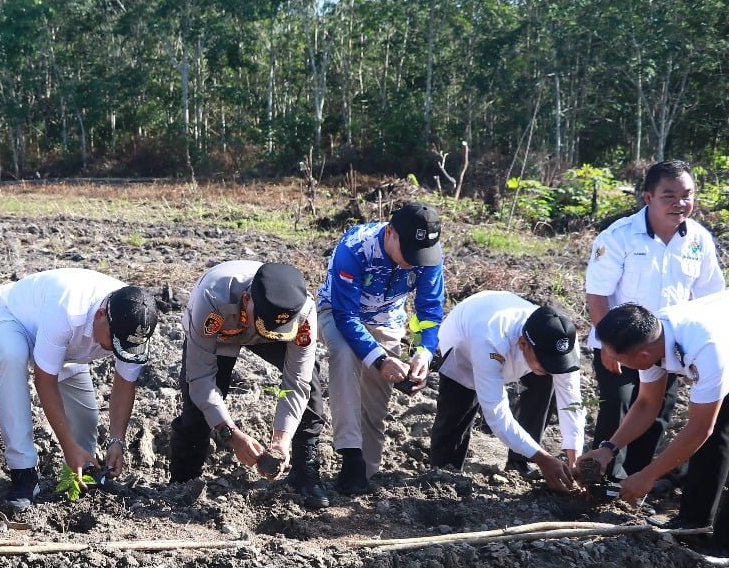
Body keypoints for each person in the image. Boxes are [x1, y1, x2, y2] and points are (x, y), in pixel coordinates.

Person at [584, 159, 723, 481]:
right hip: (619, 340)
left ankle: (635, 480)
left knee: (658, 411)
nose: (680, 203)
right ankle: (601, 476)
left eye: (687, 195)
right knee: (616, 406)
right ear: (648, 197)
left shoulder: (699, 240)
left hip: (671, 345)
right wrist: (609, 346)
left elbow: (710, 297)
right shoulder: (619, 236)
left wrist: (700, 351)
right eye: (669, 195)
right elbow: (597, 294)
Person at [0, 268, 158, 509]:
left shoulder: (133, 319)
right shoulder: (67, 312)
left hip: (68, 346)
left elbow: (125, 383)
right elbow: (45, 381)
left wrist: (117, 440)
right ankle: (23, 473)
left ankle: (78, 473)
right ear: (100, 315)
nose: (118, 351)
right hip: (12, 317)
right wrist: (67, 445)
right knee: (13, 357)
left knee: (86, 419)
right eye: (114, 343)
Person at [170, 260, 329, 507]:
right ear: (246, 300)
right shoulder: (211, 298)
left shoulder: (303, 311)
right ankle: (183, 482)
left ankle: (304, 472)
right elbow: (200, 378)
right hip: (224, 327)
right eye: (268, 326)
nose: (270, 332)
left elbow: (296, 382)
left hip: (274, 326)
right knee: (197, 403)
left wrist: (281, 441)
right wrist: (231, 435)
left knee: (313, 387)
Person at [316, 200, 445, 494]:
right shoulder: (355, 247)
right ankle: (350, 456)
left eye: (420, 256)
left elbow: (430, 309)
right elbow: (346, 316)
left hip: (387, 321)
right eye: (409, 254)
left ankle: (366, 472)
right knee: (346, 355)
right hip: (337, 312)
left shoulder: (429, 256)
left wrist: (423, 352)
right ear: (390, 233)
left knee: (376, 398)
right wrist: (378, 358)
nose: (414, 262)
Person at [579, 296, 729, 543]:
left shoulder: (704, 349)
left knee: (715, 431)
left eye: (617, 357)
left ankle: (722, 545)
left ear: (642, 356)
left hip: (720, 349)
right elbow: (648, 404)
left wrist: (649, 475)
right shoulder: (650, 335)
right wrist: (608, 449)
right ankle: (693, 524)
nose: (614, 362)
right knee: (716, 435)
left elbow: (700, 428)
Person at [428, 291, 584, 494]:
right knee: (456, 411)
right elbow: (496, 413)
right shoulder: (489, 339)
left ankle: (521, 460)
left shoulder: (563, 339)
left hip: (515, 342)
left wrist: (575, 457)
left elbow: (571, 401)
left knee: (545, 384)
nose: (551, 369)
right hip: (464, 342)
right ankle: (444, 477)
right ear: (523, 344)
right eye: (545, 363)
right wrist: (544, 458)